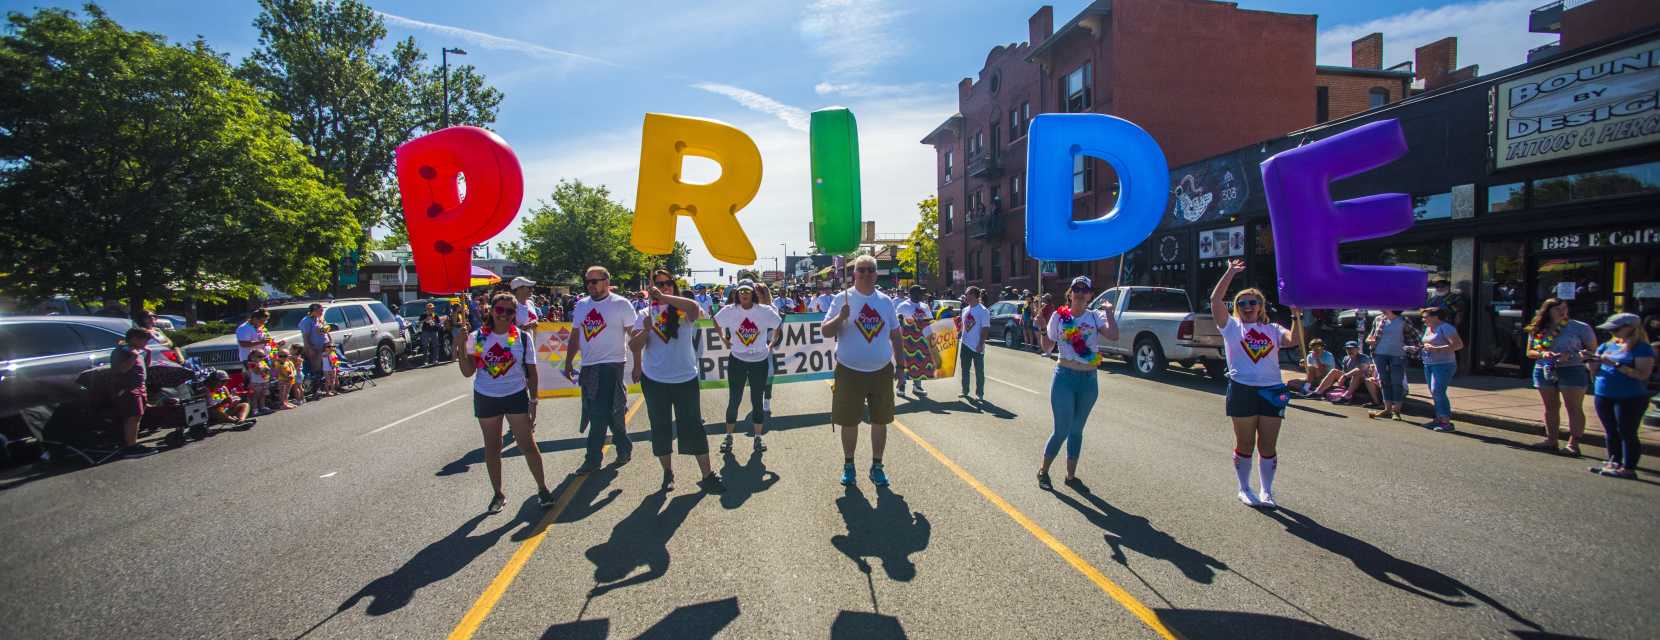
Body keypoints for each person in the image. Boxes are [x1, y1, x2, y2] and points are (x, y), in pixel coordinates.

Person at [1211, 259, 1301, 508]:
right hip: (1242, 390)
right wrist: (1230, 272)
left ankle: (1267, 491)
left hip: (1272, 390)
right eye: (1243, 303)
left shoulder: (1272, 328)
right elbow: (1216, 301)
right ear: (1237, 308)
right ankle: (1244, 488)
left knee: (1268, 445)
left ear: (1261, 306)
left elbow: (1293, 340)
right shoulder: (1231, 327)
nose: (1248, 306)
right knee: (1246, 443)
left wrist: (1296, 314)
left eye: (1253, 302)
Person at [456, 292, 555, 513]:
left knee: (527, 444)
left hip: (515, 395)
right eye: (499, 310)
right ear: (491, 310)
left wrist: (534, 401)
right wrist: (460, 347)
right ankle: (498, 494)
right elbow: (467, 371)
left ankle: (542, 488)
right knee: (493, 447)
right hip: (486, 397)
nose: (504, 315)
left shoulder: (521, 337)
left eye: (510, 312)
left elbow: (532, 372)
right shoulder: (478, 337)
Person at [629, 270, 725, 492]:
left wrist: (663, 299)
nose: (664, 286)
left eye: (667, 283)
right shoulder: (643, 312)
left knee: (693, 426)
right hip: (655, 380)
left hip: (685, 378)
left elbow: (694, 309)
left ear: (674, 285)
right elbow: (634, 346)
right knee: (660, 428)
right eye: (659, 284)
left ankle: (707, 474)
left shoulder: (683, 310)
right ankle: (667, 472)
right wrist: (645, 330)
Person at [822, 255, 903, 487]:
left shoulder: (886, 302)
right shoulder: (841, 299)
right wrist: (841, 317)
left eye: (870, 270)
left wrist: (902, 367)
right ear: (854, 273)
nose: (866, 274)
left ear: (876, 274)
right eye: (861, 270)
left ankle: (877, 466)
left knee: (881, 421)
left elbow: (896, 335)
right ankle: (849, 465)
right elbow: (826, 332)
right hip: (849, 371)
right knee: (849, 422)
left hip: (881, 371)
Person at [1033, 276, 1117, 491]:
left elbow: (1114, 336)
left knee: (1077, 430)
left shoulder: (1095, 316)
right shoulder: (1058, 317)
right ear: (1069, 293)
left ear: (1090, 295)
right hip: (1065, 377)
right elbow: (1047, 347)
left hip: (1089, 380)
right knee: (1061, 430)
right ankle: (1043, 471)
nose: (1080, 293)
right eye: (1076, 289)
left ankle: (1070, 476)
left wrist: (1109, 312)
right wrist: (1042, 328)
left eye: (1085, 289)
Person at [566, 266, 638, 474]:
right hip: (589, 366)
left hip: (612, 365)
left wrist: (639, 363)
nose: (591, 285)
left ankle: (592, 459)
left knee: (599, 414)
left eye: (595, 281)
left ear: (607, 281)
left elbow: (633, 335)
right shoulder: (581, 305)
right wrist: (569, 361)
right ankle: (624, 447)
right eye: (587, 282)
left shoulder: (621, 304)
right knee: (608, 412)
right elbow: (575, 336)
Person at [713, 280, 783, 455]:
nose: (744, 293)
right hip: (737, 360)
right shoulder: (730, 311)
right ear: (737, 293)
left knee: (757, 400)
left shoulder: (764, 311)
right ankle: (728, 436)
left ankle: (758, 438)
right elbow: (715, 321)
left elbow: (778, 325)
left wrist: (771, 344)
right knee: (734, 399)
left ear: (753, 293)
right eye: (741, 290)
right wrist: (724, 339)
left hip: (759, 362)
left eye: (748, 290)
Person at [1524, 298, 1598, 455]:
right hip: (1544, 368)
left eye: (1564, 308)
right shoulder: (1538, 327)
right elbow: (1529, 352)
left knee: (1573, 407)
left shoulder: (1579, 327)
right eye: (1558, 309)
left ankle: (1574, 443)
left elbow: (1593, 352)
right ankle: (1551, 440)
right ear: (1548, 311)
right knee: (1550, 407)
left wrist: (1570, 356)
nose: (1562, 312)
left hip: (1572, 369)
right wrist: (1543, 353)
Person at [1590, 313, 1654, 479]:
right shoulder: (1606, 346)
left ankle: (1629, 468)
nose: (1613, 332)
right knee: (1610, 431)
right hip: (1604, 393)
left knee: (1627, 432)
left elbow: (1642, 374)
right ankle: (1614, 461)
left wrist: (1616, 364)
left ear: (1630, 328)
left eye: (1616, 329)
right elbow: (1595, 370)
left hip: (1630, 397)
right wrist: (1591, 362)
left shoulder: (1642, 348)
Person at [110, 327, 154, 456]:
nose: (146, 343)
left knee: (138, 415)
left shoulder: (135, 351)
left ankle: (133, 442)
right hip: (127, 388)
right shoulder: (122, 352)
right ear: (134, 338)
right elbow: (122, 369)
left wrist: (147, 354)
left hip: (139, 386)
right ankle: (130, 446)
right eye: (144, 340)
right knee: (132, 416)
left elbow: (145, 367)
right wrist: (134, 355)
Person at [1418, 307, 1464, 432]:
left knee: (1437, 391)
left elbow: (1458, 345)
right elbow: (1428, 343)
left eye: (1425, 317)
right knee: (1435, 393)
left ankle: (1446, 423)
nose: (1423, 320)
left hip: (1444, 364)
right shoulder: (1429, 328)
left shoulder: (1446, 328)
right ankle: (1438, 419)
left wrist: (1437, 348)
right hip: (1429, 364)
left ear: (1435, 317)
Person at [1367, 309, 1411, 421]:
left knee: (1397, 382)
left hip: (1398, 354)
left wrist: (1412, 348)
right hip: (1380, 354)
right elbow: (1370, 336)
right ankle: (1387, 409)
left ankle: (1396, 411)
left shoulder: (1404, 320)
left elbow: (1413, 336)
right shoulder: (1378, 319)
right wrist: (1370, 340)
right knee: (1384, 381)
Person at [894, 285, 935, 396]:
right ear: (913, 294)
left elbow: (930, 322)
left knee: (919, 362)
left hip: (921, 341)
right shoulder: (903, 306)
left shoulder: (925, 306)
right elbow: (897, 321)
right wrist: (901, 320)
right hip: (907, 340)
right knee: (905, 363)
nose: (922, 295)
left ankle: (917, 386)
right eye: (920, 293)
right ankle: (901, 387)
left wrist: (931, 337)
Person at [959, 286, 990, 401]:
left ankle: (979, 393)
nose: (966, 297)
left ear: (975, 296)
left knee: (979, 371)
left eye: (968, 295)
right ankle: (965, 390)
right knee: (964, 369)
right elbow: (962, 326)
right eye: (966, 294)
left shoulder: (983, 311)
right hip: (965, 344)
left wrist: (981, 343)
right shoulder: (965, 310)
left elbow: (985, 328)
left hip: (977, 345)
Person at [298, 303, 327, 386]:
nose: (322, 312)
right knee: (316, 368)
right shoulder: (306, 321)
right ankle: (316, 388)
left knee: (325, 367)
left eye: (322, 310)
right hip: (314, 348)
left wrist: (330, 341)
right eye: (320, 310)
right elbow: (305, 337)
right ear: (313, 311)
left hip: (324, 346)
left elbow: (326, 331)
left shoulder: (319, 318)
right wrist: (309, 349)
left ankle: (326, 386)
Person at [243, 349, 272, 416]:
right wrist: (264, 369)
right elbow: (257, 371)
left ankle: (262, 406)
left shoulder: (262, 363)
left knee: (262, 395)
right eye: (259, 356)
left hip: (264, 381)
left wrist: (265, 368)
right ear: (252, 357)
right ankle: (255, 409)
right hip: (255, 382)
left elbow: (268, 370)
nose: (262, 358)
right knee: (255, 396)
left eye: (263, 356)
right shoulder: (251, 364)